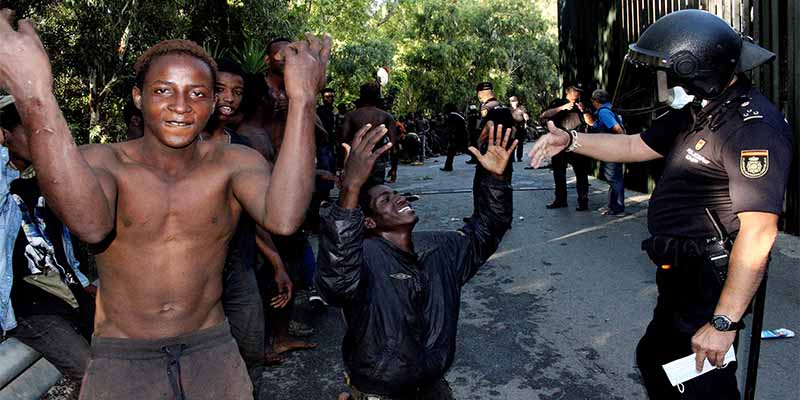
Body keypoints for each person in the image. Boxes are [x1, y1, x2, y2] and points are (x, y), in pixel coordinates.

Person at [0, 10, 331, 398]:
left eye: (197, 93)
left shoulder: (234, 162)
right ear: (138, 97)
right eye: (163, 90)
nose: (181, 105)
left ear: (213, 103)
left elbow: (285, 217)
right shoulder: (102, 161)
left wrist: (303, 99)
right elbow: (91, 225)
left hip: (211, 350)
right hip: (123, 358)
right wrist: (35, 96)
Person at [529, 9, 792, 399]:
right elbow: (636, 145)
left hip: (709, 285)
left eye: (667, 72)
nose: (661, 81)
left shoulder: (753, 129)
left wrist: (723, 323)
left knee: (700, 381)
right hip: (680, 275)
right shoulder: (700, 110)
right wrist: (571, 141)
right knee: (655, 359)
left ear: (695, 71)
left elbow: (759, 232)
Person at [316, 122, 516, 400]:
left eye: (396, 193)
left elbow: (487, 230)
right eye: (385, 200)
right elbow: (336, 282)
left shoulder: (440, 249)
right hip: (381, 391)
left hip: (431, 384)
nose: (398, 198)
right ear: (370, 222)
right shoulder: (364, 257)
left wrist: (495, 178)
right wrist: (350, 188)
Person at [202, 57, 294, 392]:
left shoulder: (241, 149)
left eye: (237, 91)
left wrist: (277, 263)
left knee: (251, 347)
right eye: (220, 89)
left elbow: (257, 215)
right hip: (195, 273)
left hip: (239, 266)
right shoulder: (180, 146)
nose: (229, 98)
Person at [1, 96, 95, 386]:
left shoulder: (42, 181)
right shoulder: (5, 185)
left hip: (67, 293)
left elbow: (60, 242)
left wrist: (81, 279)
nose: (39, 139)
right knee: (92, 375)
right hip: (31, 307)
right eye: (29, 131)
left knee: (124, 357)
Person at [539, 81, 591, 211]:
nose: (577, 94)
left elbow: (591, 123)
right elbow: (544, 115)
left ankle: (583, 201)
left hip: (577, 142)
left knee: (581, 172)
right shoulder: (558, 102)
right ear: (568, 90)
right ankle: (560, 199)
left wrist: (584, 111)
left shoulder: (582, 105)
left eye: (579, 92)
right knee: (559, 172)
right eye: (575, 90)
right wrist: (561, 108)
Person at [341, 82, 398, 184]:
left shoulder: (350, 116)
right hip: (377, 160)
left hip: (356, 160)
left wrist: (343, 166)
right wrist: (394, 169)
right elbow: (394, 147)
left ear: (361, 96)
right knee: (375, 189)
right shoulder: (386, 116)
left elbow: (344, 143)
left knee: (356, 190)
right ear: (377, 97)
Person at [585, 89, 625, 216]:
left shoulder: (604, 113)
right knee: (614, 178)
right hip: (614, 149)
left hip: (611, 150)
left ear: (596, 101)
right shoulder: (610, 109)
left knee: (614, 179)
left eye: (593, 100)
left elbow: (617, 129)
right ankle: (613, 205)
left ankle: (618, 208)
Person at [440, 103, 467, 171]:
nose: (443, 110)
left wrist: (450, 137)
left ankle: (448, 167)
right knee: (452, 151)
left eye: (444, 109)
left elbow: (451, 128)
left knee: (453, 151)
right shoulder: (458, 115)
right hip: (461, 135)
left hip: (457, 136)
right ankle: (448, 166)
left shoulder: (451, 116)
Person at [509, 95, 530, 162]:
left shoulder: (521, 108)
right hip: (513, 128)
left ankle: (519, 157)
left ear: (517, 101)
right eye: (512, 101)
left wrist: (525, 117)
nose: (513, 102)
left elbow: (526, 116)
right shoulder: (509, 110)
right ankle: (512, 158)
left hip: (521, 127)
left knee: (520, 143)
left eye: (514, 101)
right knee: (512, 143)